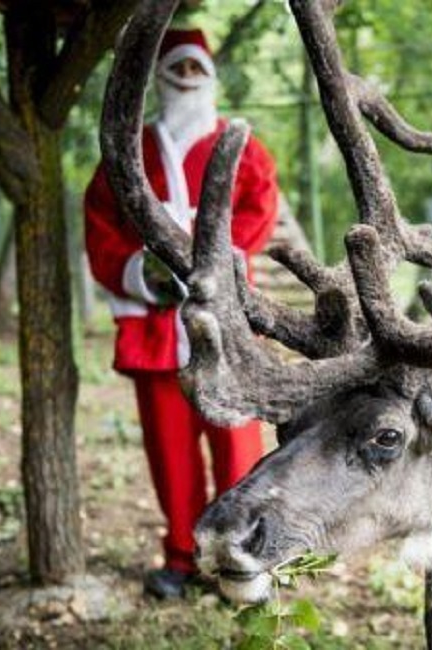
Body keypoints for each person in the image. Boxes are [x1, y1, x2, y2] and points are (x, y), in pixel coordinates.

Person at [83, 27, 279, 600]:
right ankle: (184, 556)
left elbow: (258, 205)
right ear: (160, 75)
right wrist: (144, 271)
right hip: (156, 324)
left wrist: (218, 262)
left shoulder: (242, 145)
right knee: (170, 450)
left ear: (211, 77)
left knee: (238, 445)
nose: (188, 79)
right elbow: (101, 219)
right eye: (178, 69)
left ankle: (243, 558)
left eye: (197, 69)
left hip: (222, 323)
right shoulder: (130, 149)